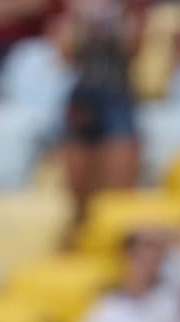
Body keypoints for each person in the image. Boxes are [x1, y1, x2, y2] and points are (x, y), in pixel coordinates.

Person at [57, 0, 144, 221]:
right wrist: (79, 21)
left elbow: (133, 49)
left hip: (118, 96)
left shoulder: (127, 13)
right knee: (77, 192)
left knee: (120, 190)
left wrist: (119, 19)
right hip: (84, 97)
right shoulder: (76, 13)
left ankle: (114, 229)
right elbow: (65, 54)